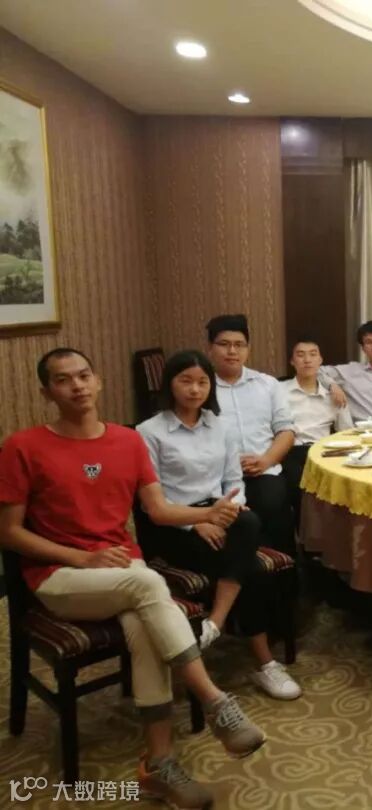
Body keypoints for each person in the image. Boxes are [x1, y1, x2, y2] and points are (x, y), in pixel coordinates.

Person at [0, 348, 265, 808]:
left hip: (122, 569)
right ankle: (214, 700)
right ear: (47, 393)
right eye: (63, 380)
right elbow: (8, 532)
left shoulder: (127, 441)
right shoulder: (23, 446)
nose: (77, 386)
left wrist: (209, 514)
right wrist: (80, 558)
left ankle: (159, 764)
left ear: (98, 381)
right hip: (58, 575)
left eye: (84, 375)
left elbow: (158, 510)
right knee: (149, 586)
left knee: (144, 623)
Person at [137, 350, 303, 702]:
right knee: (251, 565)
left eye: (202, 382)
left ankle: (216, 619)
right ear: (169, 384)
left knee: (247, 521)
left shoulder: (220, 425)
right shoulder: (149, 432)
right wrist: (196, 522)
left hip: (218, 512)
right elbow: (153, 502)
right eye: (185, 381)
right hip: (173, 524)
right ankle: (264, 662)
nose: (194, 389)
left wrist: (228, 510)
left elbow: (233, 480)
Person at [206, 314, 297, 554]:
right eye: (224, 344)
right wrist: (228, 464)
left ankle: (284, 567)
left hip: (264, 470)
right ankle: (243, 568)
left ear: (248, 349)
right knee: (235, 518)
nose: (232, 351)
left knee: (272, 500)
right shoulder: (202, 388)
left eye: (239, 345)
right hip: (218, 476)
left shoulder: (267, 384)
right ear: (210, 348)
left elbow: (286, 430)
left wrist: (266, 460)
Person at [282, 337, 352, 522]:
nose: (307, 360)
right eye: (300, 355)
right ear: (292, 361)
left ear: (320, 361)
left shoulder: (334, 396)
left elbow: (347, 432)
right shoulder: (278, 391)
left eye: (313, 355)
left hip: (323, 453)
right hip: (290, 451)